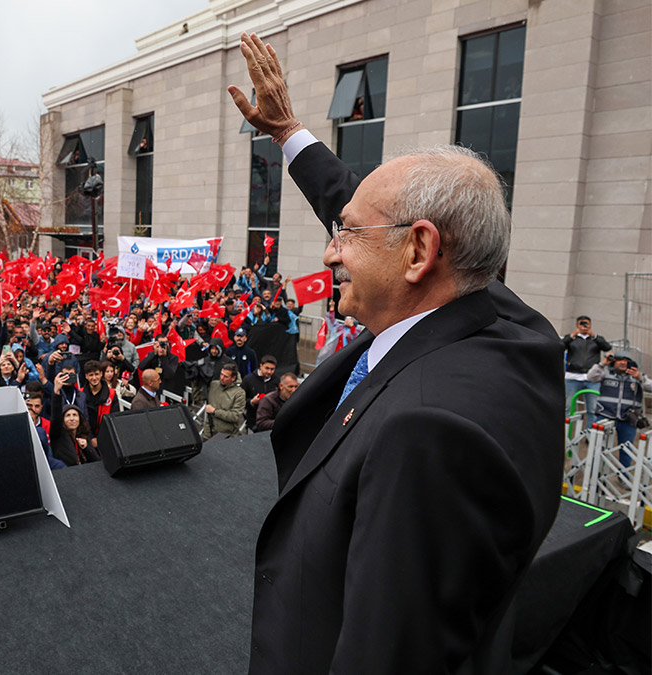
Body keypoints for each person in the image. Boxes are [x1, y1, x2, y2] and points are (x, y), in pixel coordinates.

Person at [228, 32, 562, 673]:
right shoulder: (515, 330)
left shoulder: (425, 436)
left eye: (345, 234)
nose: (331, 250)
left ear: (418, 252)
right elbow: (372, 210)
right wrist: (291, 134)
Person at [586, 354, 652, 465]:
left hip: (628, 419)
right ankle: (594, 476)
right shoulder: (605, 373)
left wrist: (640, 378)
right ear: (614, 362)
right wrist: (602, 364)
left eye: (626, 360)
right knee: (596, 448)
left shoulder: (637, 377)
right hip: (605, 415)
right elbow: (590, 377)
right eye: (620, 360)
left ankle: (623, 477)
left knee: (626, 450)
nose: (623, 362)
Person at [563, 315, 610, 426]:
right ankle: (564, 431)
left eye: (586, 324)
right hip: (572, 377)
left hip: (592, 378)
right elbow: (561, 345)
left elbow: (607, 347)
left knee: (593, 408)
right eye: (582, 324)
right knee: (567, 406)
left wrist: (594, 336)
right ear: (577, 325)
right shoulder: (571, 339)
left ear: (590, 325)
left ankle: (590, 434)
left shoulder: (596, 339)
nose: (584, 327)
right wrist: (573, 335)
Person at [202, 364, 246, 440]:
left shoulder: (239, 393)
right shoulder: (214, 385)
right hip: (208, 434)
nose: (222, 378)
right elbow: (197, 397)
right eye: (221, 374)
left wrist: (215, 411)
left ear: (233, 378)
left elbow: (234, 417)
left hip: (227, 436)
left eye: (226, 376)